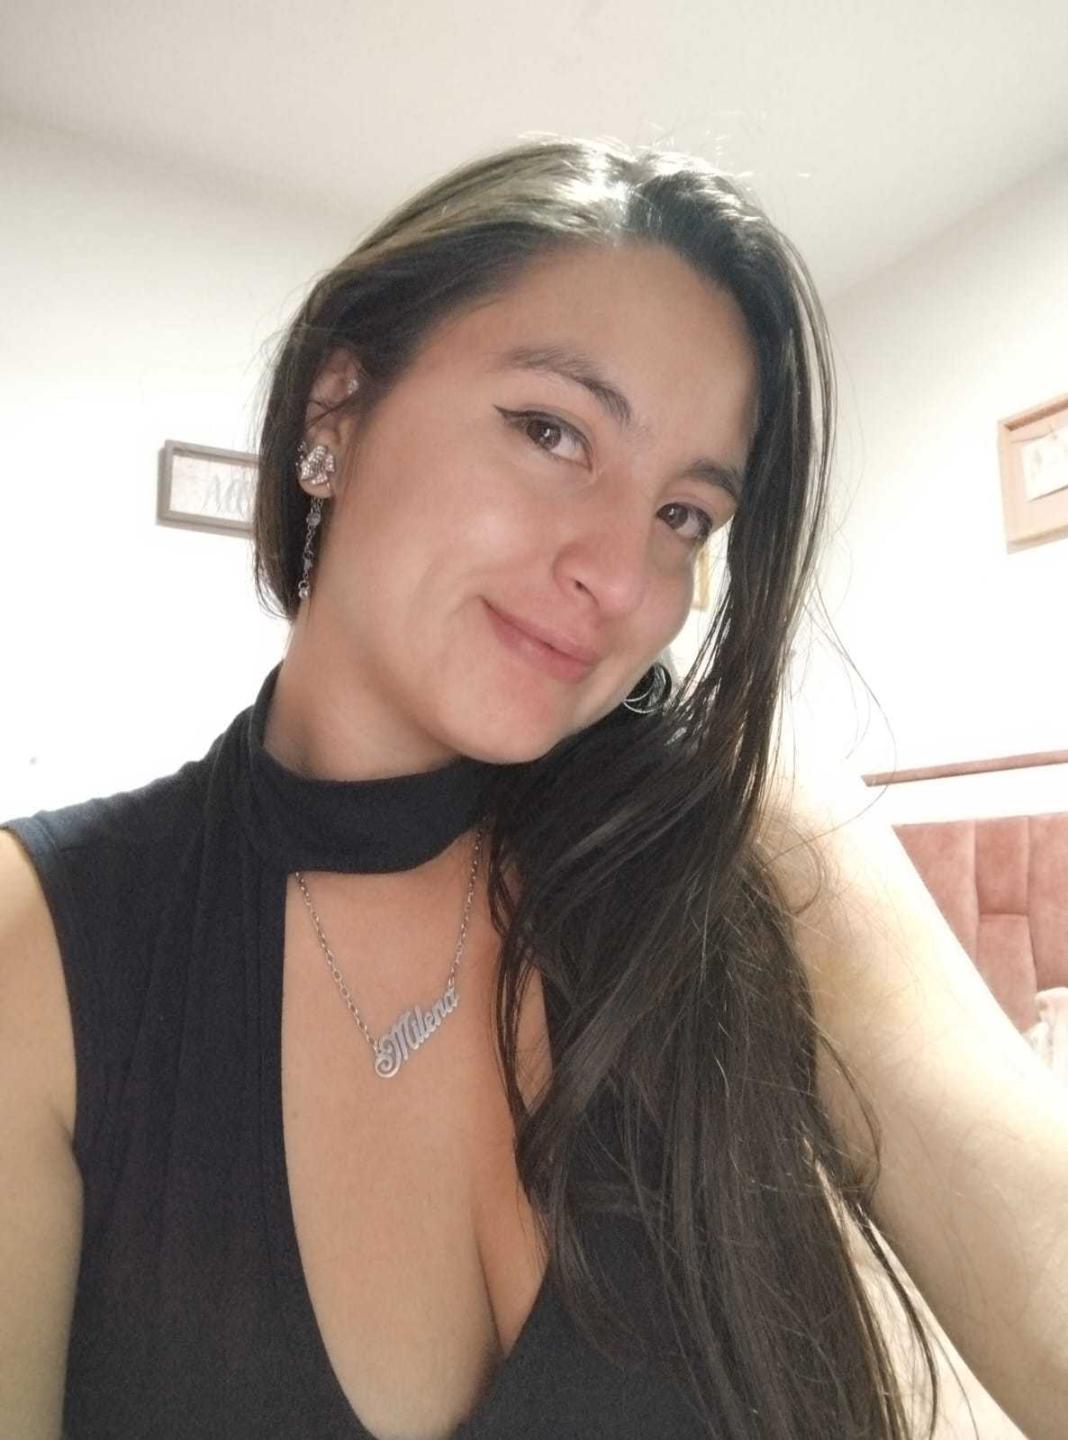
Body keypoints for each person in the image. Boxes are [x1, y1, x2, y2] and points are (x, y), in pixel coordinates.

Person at [1, 135, 1064, 1440]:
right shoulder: (44, 941)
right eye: (553, 432)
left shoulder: (745, 835)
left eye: (684, 515)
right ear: (337, 409)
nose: (620, 578)